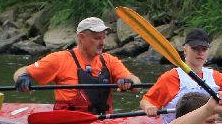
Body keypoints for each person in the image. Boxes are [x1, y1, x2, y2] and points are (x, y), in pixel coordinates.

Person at [12, 17, 140, 114]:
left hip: (102, 121)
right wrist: (22, 78)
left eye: (103, 38)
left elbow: (136, 85)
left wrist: (129, 82)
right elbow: (22, 71)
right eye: (97, 38)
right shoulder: (60, 59)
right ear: (81, 38)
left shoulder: (109, 61)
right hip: (68, 122)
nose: (102, 43)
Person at [139, 28, 222, 123]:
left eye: (204, 49)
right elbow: (146, 101)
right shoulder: (171, 77)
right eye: (195, 48)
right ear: (185, 50)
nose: (200, 52)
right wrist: (149, 107)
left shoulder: (216, 77)